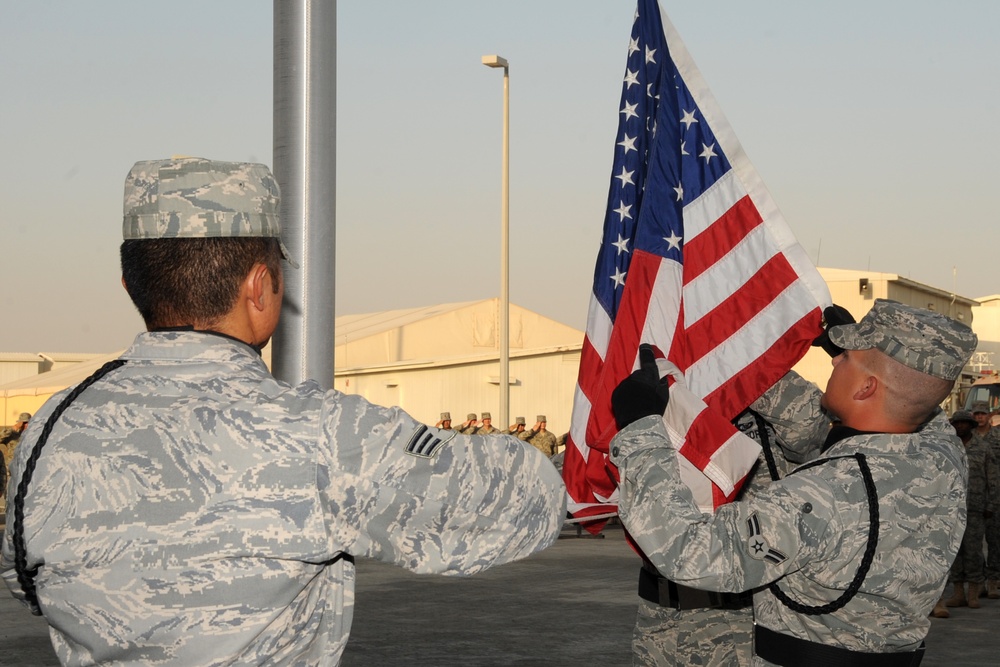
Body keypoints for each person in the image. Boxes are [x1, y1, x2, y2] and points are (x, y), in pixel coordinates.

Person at [0, 158, 566, 666]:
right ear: (261, 285)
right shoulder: (323, 434)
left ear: (130, 284)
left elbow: (24, 580)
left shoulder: (50, 429)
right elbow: (530, 502)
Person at [611, 299, 976, 664]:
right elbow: (921, 396)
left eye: (845, 358)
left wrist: (640, 427)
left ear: (866, 388)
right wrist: (862, 352)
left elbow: (688, 551)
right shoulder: (943, 457)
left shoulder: (819, 493)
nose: (835, 360)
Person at [632, 373, 829, 666]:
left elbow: (813, 427)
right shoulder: (661, 388)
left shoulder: (760, 379)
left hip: (738, 619)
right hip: (659, 613)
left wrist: (741, 368)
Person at [937, 410, 997, 614]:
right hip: (951, 508)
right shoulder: (948, 448)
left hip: (975, 507)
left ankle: (973, 591)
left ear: (971, 425)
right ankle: (958, 593)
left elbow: (993, 480)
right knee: (954, 552)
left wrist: (990, 505)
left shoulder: (983, 448)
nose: (961, 426)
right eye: (958, 423)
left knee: (973, 550)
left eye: (965, 423)